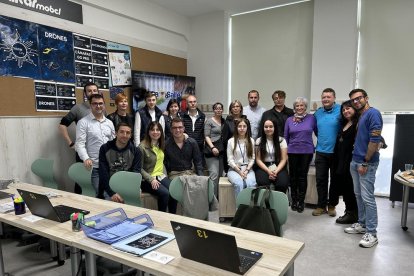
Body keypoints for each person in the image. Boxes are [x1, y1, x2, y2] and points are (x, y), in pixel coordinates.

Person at [344, 89, 383, 248]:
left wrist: (366, 161)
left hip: (366, 163)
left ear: (366, 98)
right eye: (353, 100)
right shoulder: (361, 115)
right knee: (358, 195)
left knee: (368, 198)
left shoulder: (373, 113)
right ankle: (362, 224)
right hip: (356, 161)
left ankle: (372, 233)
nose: (356, 101)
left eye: (359, 98)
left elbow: (375, 139)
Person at [58, 82, 100, 194]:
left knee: (97, 180)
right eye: (89, 91)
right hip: (83, 151)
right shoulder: (78, 108)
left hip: (98, 151)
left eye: (94, 90)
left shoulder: (101, 108)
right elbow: (62, 125)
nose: (92, 93)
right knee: (81, 180)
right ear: (85, 93)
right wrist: (71, 143)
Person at [75, 94, 115, 196]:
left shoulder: (110, 123)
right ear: (90, 105)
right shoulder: (83, 122)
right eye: (95, 104)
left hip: (109, 166)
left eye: (100, 103)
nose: (98, 106)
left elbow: (113, 143)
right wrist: (85, 158)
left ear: (104, 105)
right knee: (99, 194)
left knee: (110, 194)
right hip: (94, 167)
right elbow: (79, 144)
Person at [312, 88, 341, 217]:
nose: (326, 99)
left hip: (336, 152)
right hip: (321, 152)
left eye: (328, 97)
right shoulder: (317, 113)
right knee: (321, 180)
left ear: (334, 98)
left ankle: (332, 205)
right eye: (324, 97)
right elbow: (316, 130)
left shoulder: (341, 110)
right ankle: (321, 205)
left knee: (335, 180)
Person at [284, 97, 317, 213]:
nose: (299, 107)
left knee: (302, 177)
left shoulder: (312, 118)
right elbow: (286, 138)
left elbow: (318, 133)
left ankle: (301, 201)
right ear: (294, 108)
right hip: (292, 151)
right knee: (293, 177)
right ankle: (294, 200)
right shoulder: (289, 120)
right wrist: (285, 154)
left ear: (305, 107)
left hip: (306, 152)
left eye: (301, 105)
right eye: (297, 106)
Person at [139, 122, 177, 213]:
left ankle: (173, 218)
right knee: (165, 194)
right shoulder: (141, 147)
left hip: (160, 176)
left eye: (158, 130)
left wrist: (185, 135)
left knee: (175, 191)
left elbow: (175, 138)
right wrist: (151, 179)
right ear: (148, 132)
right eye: (152, 130)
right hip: (146, 179)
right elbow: (138, 168)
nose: (155, 132)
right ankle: (161, 217)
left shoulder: (161, 144)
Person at [98, 123, 141, 202]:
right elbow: (103, 173)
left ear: (131, 135)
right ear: (116, 133)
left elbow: (136, 173)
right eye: (122, 132)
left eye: (128, 133)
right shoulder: (104, 148)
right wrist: (112, 193)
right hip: (110, 189)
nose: (125, 135)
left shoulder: (136, 151)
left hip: (128, 188)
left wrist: (126, 192)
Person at [332, 100, 359, 224]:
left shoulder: (358, 124)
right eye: (343, 110)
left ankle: (353, 214)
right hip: (341, 161)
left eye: (348, 108)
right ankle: (348, 211)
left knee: (350, 188)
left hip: (351, 161)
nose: (346, 111)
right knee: (345, 187)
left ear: (355, 109)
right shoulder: (345, 124)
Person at [255, 119, 289, 193]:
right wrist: (268, 171)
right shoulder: (259, 141)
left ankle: (278, 204)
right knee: (263, 183)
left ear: (275, 128)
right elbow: (258, 160)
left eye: (271, 126)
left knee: (282, 184)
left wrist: (275, 171)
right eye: (266, 127)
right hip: (263, 166)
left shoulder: (281, 140)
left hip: (278, 166)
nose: (268, 129)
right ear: (263, 128)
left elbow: (284, 159)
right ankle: (265, 204)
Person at [204, 102, 229, 197]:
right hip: (212, 152)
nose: (218, 110)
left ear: (222, 110)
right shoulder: (209, 121)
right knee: (213, 176)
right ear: (213, 110)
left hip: (222, 152)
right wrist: (212, 147)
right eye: (216, 108)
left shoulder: (224, 121)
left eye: (220, 108)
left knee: (221, 177)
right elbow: (206, 136)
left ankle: (219, 199)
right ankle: (212, 200)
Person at [227, 118, 256, 197]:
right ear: (236, 128)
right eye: (240, 126)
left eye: (244, 126)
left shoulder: (251, 141)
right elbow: (230, 159)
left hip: (248, 169)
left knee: (251, 183)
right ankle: (240, 208)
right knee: (239, 183)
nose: (242, 128)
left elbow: (252, 158)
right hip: (234, 170)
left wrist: (246, 170)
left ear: (247, 128)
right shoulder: (231, 141)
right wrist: (239, 171)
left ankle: (249, 208)